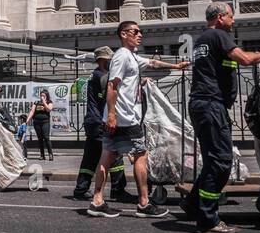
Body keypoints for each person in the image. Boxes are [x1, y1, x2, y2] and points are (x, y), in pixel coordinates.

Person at [179, 3, 260, 233]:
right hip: (210, 105)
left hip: (204, 104)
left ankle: (193, 203)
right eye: (231, 16)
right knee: (222, 161)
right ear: (219, 17)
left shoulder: (204, 38)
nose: (234, 21)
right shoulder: (218, 35)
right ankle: (208, 219)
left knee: (213, 160)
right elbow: (244, 59)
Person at [87, 21, 189, 218]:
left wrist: (176, 65)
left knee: (107, 156)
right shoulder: (122, 56)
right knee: (141, 155)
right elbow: (112, 85)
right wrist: (111, 114)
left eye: (140, 31)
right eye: (135, 31)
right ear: (124, 34)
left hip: (120, 117)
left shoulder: (131, 56)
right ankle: (143, 203)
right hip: (125, 118)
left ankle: (97, 201)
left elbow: (152, 63)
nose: (140, 35)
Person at [74, 47, 127, 200]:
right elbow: (113, 91)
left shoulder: (96, 75)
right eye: (111, 60)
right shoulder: (102, 77)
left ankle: (81, 189)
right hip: (99, 122)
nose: (113, 63)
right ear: (104, 61)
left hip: (92, 121)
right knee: (114, 154)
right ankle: (118, 189)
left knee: (91, 156)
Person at [26, 89, 55, 161]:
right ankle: (42, 155)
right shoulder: (36, 102)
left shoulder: (49, 102)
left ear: (46, 96)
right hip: (36, 122)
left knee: (46, 137)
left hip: (45, 122)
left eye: (43, 95)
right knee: (40, 139)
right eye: (41, 95)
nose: (42, 97)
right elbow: (32, 111)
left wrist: (44, 102)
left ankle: (50, 154)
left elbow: (49, 109)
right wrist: (27, 120)